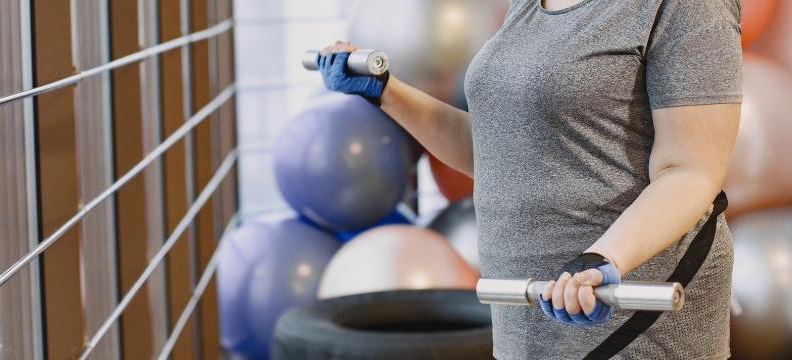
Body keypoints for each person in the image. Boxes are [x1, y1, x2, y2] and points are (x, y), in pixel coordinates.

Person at [314, 0, 742, 358]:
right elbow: (495, 153)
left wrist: (601, 260)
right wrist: (384, 90)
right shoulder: (530, 4)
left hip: (629, 312)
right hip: (529, 316)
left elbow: (689, 171)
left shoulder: (684, 6)